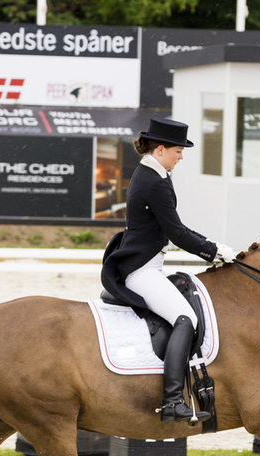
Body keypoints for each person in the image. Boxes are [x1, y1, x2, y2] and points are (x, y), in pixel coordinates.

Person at [101, 118, 237, 423]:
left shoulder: (153, 173)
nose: (181, 156)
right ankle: (173, 400)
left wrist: (211, 246)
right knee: (185, 318)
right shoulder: (154, 181)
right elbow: (177, 233)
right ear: (160, 149)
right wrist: (214, 251)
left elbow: (175, 227)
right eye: (178, 151)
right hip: (141, 269)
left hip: (148, 263)